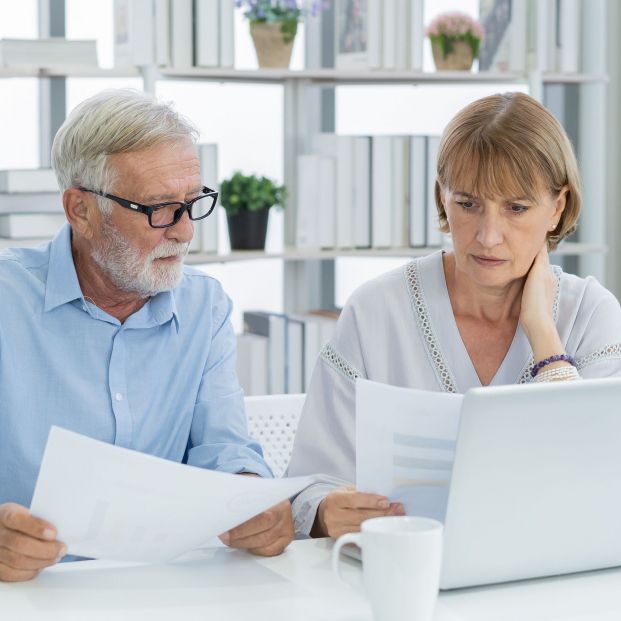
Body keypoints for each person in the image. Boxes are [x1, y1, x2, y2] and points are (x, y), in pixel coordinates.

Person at [287, 91, 621, 538]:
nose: (487, 235)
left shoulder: (591, 315)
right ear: (442, 197)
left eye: (516, 208)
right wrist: (328, 510)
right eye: (468, 203)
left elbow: (598, 487)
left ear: (557, 207)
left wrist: (543, 334)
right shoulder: (375, 311)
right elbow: (308, 486)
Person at [0, 90, 294, 582]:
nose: (183, 233)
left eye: (193, 203)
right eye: (159, 209)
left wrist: (253, 501)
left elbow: (224, 450)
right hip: (26, 593)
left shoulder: (205, 306)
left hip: (162, 589)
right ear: (81, 211)